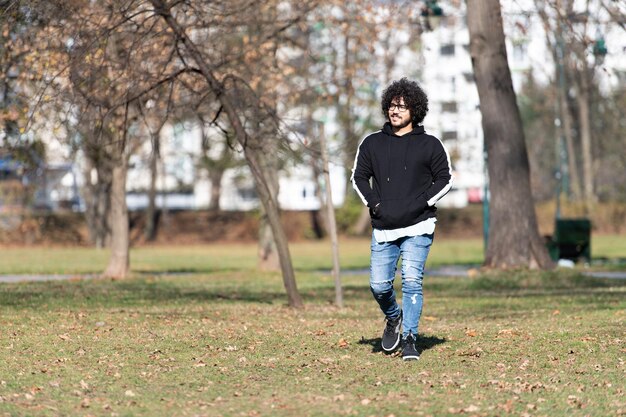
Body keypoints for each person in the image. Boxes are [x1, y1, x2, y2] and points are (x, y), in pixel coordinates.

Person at [351, 78, 452, 361]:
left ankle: (410, 338)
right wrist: (375, 204)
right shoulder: (371, 143)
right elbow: (359, 177)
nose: (395, 111)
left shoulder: (430, 144)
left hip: (419, 225)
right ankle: (393, 318)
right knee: (379, 286)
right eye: (392, 106)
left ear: (415, 110)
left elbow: (445, 179)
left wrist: (421, 202)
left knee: (411, 280)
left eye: (402, 106)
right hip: (384, 225)